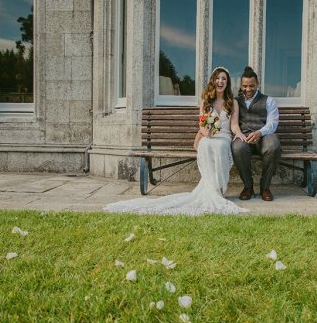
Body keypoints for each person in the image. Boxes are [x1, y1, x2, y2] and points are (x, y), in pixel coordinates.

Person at [104, 67, 248, 215]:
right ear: (213, 81)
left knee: (221, 146)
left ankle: (220, 189)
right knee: (206, 144)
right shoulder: (206, 100)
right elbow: (203, 124)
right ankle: (211, 188)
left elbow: (234, 125)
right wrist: (206, 132)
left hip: (223, 136)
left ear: (227, 82)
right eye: (218, 78)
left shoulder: (232, 102)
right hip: (209, 135)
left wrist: (239, 134)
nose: (220, 81)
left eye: (224, 79)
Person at [231, 66, 281, 201]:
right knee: (237, 147)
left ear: (257, 84)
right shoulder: (235, 101)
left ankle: (265, 187)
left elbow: (272, 124)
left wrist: (259, 133)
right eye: (244, 86)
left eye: (251, 86)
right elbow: (233, 122)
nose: (248, 89)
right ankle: (248, 186)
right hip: (244, 136)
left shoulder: (269, 100)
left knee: (273, 146)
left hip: (264, 135)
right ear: (241, 85)